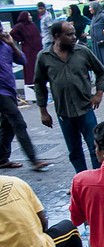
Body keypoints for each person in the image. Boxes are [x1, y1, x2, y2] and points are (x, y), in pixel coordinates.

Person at [35, 21, 104, 174]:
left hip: (85, 108)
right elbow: (39, 84)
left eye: (74, 33)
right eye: (69, 34)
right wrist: (43, 111)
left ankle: (97, 178)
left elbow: (102, 72)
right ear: (57, 36)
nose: (74, 37)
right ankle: (81, 179)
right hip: (64, 112)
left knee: (95, 146)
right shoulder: (44, 57)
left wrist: (99, 93)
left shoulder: (83, 51)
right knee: (74, 150)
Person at [0, 27, 48, 171]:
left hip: (10, 91)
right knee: (18, 122)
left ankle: (2, 159)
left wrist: (12, 44)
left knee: (7, 126)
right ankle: (34, 160)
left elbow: (23, 60)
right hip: (1, 93)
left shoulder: (6, 46)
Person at [10, 12, 42, 85]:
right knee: (30, 66)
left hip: (37, 48)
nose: (31, 17)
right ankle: (31, 82)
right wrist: (21, 39)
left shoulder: (32, 25)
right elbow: (12, 33)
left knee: (38, 64)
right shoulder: (20, 26)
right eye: (29, 15)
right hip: (29, 49)